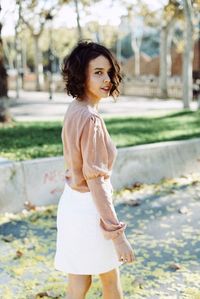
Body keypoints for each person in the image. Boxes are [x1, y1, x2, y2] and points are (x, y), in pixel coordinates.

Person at [54, 41, 135, 299]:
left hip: (71, 205)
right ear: (82, 75)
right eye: (98, 72)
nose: (107, 79)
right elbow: (97, 181)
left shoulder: (74, 109)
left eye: (109, 72)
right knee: (110, 282)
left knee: (79, 283)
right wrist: (117, 235)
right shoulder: (91, 119)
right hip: (91, 210)